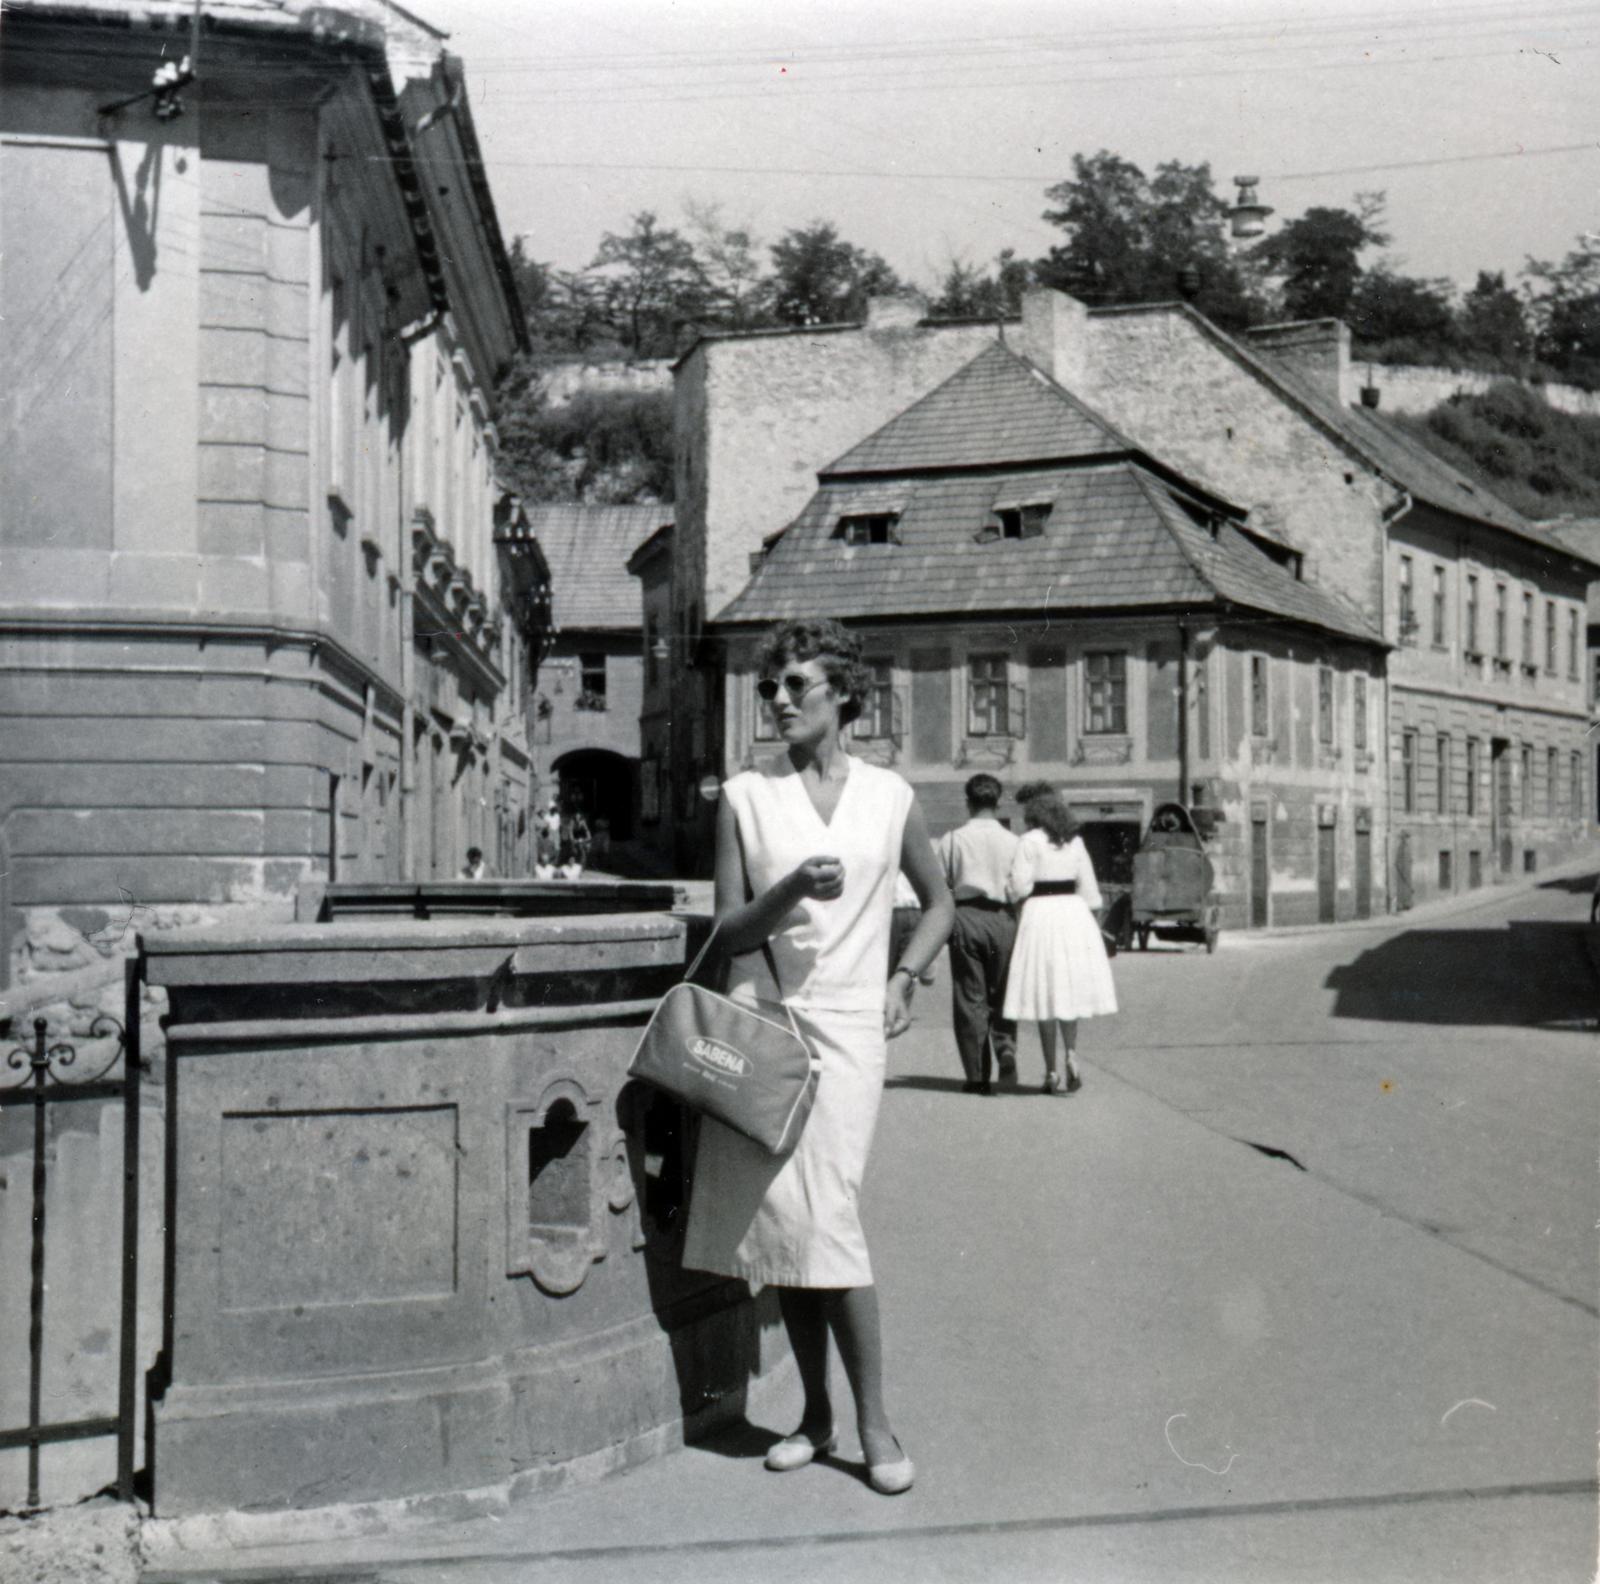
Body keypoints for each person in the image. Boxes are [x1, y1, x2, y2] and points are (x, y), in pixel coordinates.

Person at [681, 618, 954, 1497]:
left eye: (797, 685)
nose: (780, 700)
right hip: (770, 1019)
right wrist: (791, 887)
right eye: (772, 688)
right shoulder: (745, 796)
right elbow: (725, 928)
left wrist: (906, 977)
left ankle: (874, 1423)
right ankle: (818, 1417)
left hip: (850, 1026)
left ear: (842, 693)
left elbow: (941, 900)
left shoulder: (889, 796)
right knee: (789, 1225)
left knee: (827, 1212)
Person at [1003, 793, 1119, 1094]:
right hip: (1073, 913)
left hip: (1041, 914)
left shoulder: (1028, 841)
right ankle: (1071, 1054)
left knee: (1045, 993)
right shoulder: (1076, 843)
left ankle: (1051, 1071)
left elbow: (1018, 887)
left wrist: (1011, 892)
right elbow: (1091, 892)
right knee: (1068, 990)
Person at [934, 773, 1020, 1095]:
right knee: (1003, 990)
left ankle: (977, 1074)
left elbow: (940, 885)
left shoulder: (953, 839)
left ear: (968, 802)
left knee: (970, 996)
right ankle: (1006, 1046)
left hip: (966, 917)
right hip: (1003, 918)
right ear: (998, 803)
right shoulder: (1014, 841)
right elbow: (1020, 885)